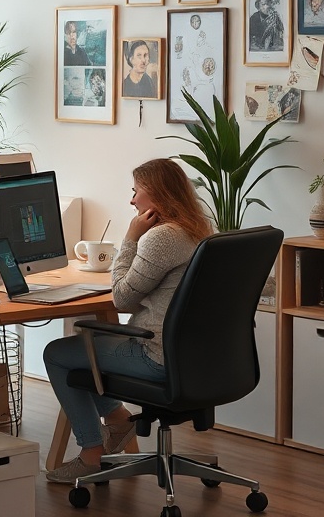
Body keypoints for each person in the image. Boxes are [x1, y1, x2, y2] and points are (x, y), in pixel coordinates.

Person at [42, 158, 213, 484]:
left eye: (137, 191)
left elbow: (122, 299)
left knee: (57, 354)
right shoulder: (200, 230)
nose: (132, 200)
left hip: (158, 355)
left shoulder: (162, 237)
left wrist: (131, 237)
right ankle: (118, 419)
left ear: (158, 195)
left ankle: (92, 453)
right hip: (198, 358)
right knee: (85, 353)